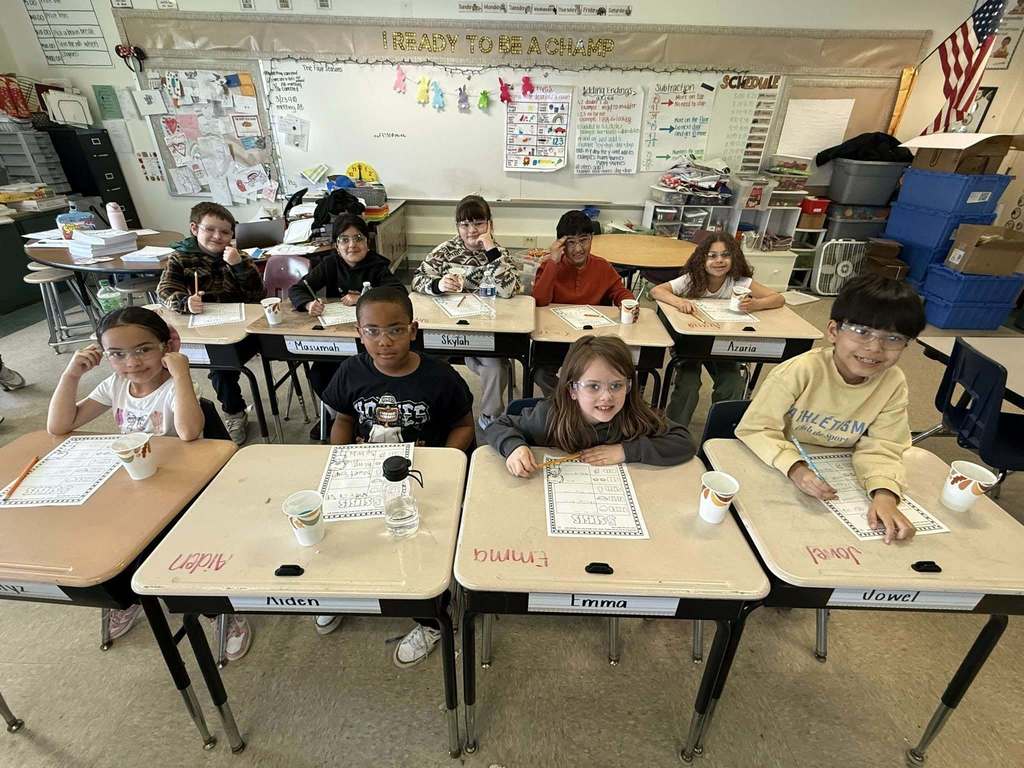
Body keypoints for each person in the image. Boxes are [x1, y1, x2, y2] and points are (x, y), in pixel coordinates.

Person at [45, 306, 253, 658]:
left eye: (143, 349)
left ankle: (219, 610)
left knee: (184, 545)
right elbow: (59, 426)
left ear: (165, 346)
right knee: (102, 533)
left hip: (185, 483)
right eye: (117, 354)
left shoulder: (175, 387)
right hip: (140, 483)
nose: (132, 362)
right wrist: (70, 375)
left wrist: (183, 374)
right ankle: (126, 595)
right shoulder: (116, 385)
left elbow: (189, 432)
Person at [318, 287, 475, 662]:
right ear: (359, 332)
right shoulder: (351, 371)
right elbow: (342, 418)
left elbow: (465, 425)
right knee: (343, 530)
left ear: (413, 330)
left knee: (418, 544)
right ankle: (342, 589)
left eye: (395, 330)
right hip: (366, 469)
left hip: (422, 475)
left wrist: (441, 460)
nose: (383, 341)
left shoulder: (440, 377)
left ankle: (433, 617)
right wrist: (337, 462)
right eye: (371, 331)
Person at [736, 274, 927, 545]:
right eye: (862, 332)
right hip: (781, 467)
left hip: (841, 474)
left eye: (893, 338)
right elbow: (757, 428)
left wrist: (884, 493)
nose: (874, 348)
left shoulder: (893, 382)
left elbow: (884, 446)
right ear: (834, 331)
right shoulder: (800, 371)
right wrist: (796, 468)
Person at [485, 335, 694, 477]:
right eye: (593, 386)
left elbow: (684, 442)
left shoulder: (634, 416)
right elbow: (498, 425)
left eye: (616, 385)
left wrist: (625, 451)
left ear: (629, 386)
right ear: (572, 390)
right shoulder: (549, 418)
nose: (606, 397)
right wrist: (514, 447)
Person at [157, 202, 266, 445]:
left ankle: (234, 413)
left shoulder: (240, 257)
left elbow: (257, 295)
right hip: (198, 330)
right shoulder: (180, 258)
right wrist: (184, 302)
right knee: (160, 358)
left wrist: (238, 266)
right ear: (195, 228)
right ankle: (167, 412)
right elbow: (164, 291)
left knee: (222, 367)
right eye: (211, 229)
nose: (218, 237)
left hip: (238, 331)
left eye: (225, 232)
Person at [650, 232, 784, 426]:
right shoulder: (692, 279)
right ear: (702, 259)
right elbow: (656, 291)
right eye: (712, 256)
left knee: (733, 383)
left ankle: (718, 431)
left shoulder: (740, 282)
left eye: (725, 255)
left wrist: (756, 304)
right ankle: (674, 432)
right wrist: (679, 301)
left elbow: (778, 298)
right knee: (688, 384)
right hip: (692, 343)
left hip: (722, 344)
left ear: (734, 258)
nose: (719, 260)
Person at [288, 213, 405, 435]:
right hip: (336, 336)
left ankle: (360, 414)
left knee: (365, 373)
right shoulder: (331, 264)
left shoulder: (378, 265)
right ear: (336, 245)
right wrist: (308, 303)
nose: (352, 245)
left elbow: (398, 293)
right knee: (319, 374)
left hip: (369, 341)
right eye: (344, 239)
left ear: (367, 242)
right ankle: (336, 413)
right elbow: (297, 289)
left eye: (358, 238)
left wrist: (363, 297)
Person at [412, 195, 520, 429]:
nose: (472, 230)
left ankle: (490, 416)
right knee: (423, 361)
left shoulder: (499, 252)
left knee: (496, 367)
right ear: (458, 227)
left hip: (484, 330)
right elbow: (417, 279)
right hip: (447, 328)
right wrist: (437, 285)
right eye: (465, 224)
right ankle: (432, 411)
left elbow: (509, 290)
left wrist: (491, 250)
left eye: (479, 223)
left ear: (489, 224)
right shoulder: (445, 251)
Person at [531, 210, 637, 395]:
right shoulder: (550, 266)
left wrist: (628, 303)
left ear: (591, 239)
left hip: (593, 338)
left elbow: (620, 291)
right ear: (561, 244)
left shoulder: (602, 266)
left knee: (605, 373)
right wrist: (553, 262)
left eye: (584, 240)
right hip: (557, 337)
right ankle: (569, 402)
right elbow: (539, 300)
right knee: (540, 374)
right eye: (571, 242)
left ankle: (583, 400)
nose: (578, 248)